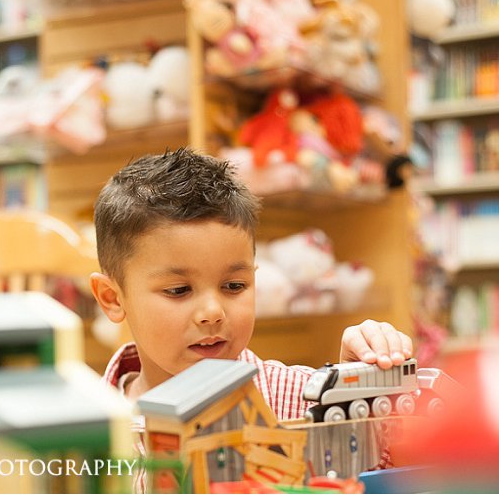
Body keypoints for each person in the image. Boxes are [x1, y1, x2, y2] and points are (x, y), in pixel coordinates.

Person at [90, 148, 413, 483]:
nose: (212, 312)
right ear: (112, 298)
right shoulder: (87, 434)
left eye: (233, 285)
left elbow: (400, 474)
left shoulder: (301, 399)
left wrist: (358, 401)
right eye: (179, 291)